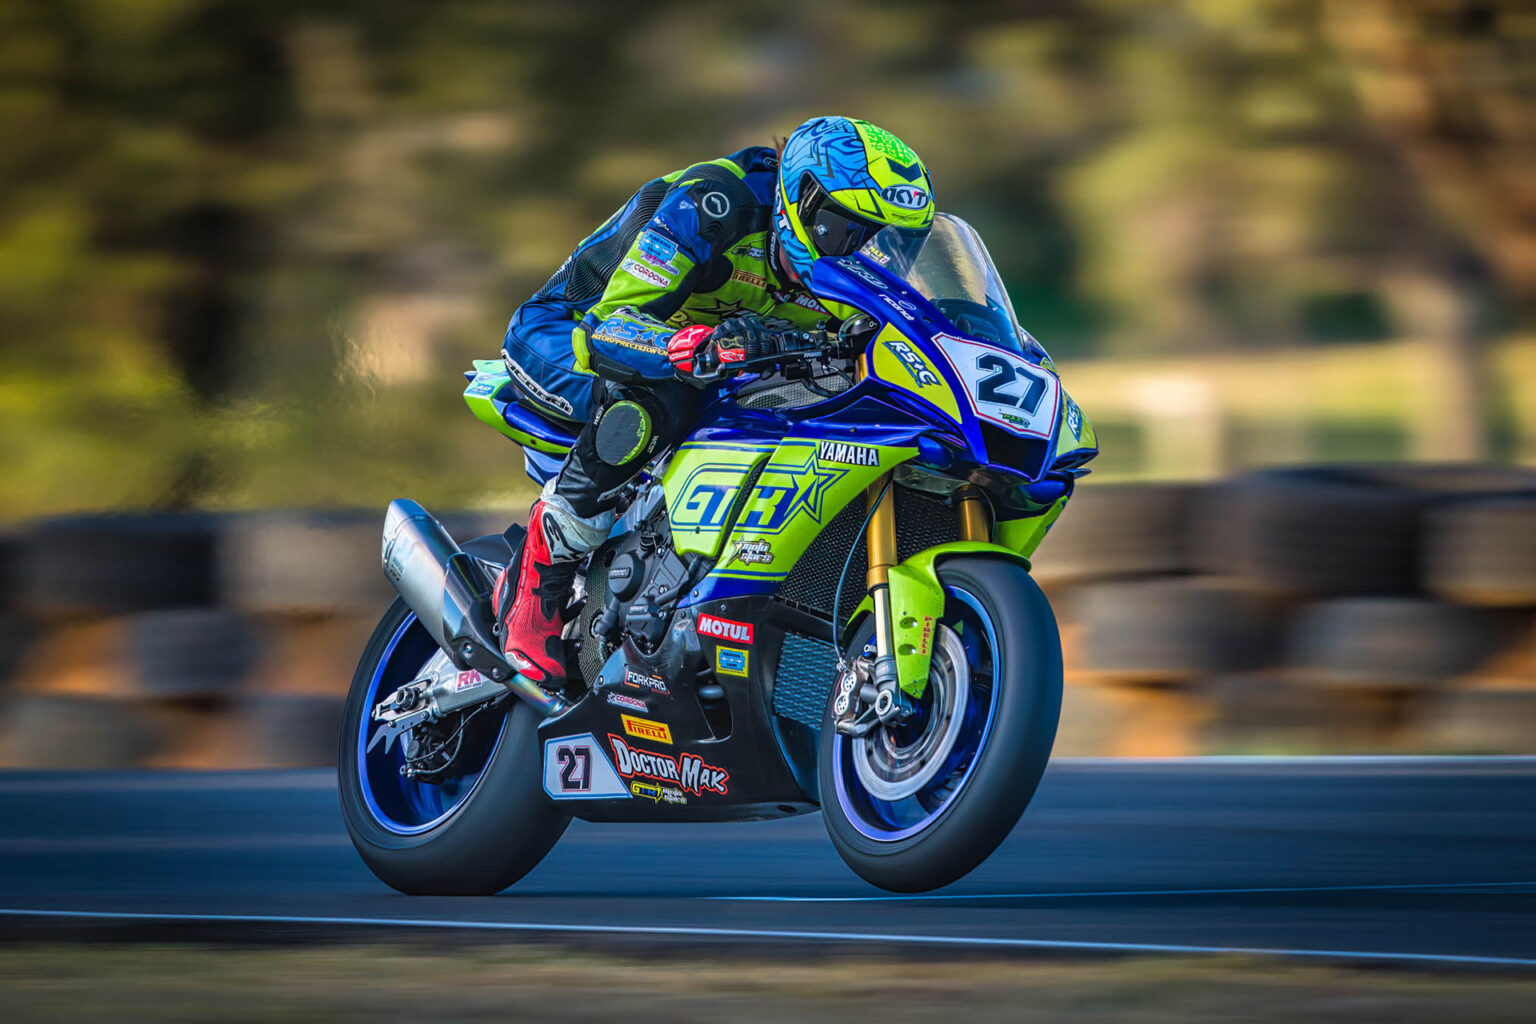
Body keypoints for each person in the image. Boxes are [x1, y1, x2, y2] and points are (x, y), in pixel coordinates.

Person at [494, 115, 934, 689]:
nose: (862, 253)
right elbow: (612, 326)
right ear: (798, 203)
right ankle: (540, 577)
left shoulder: (851, 283)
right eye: (845, 231)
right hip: (567, 337)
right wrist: (693, 346)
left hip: (710, 365)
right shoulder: (715, 203)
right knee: (658, 397)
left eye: (886, 244)